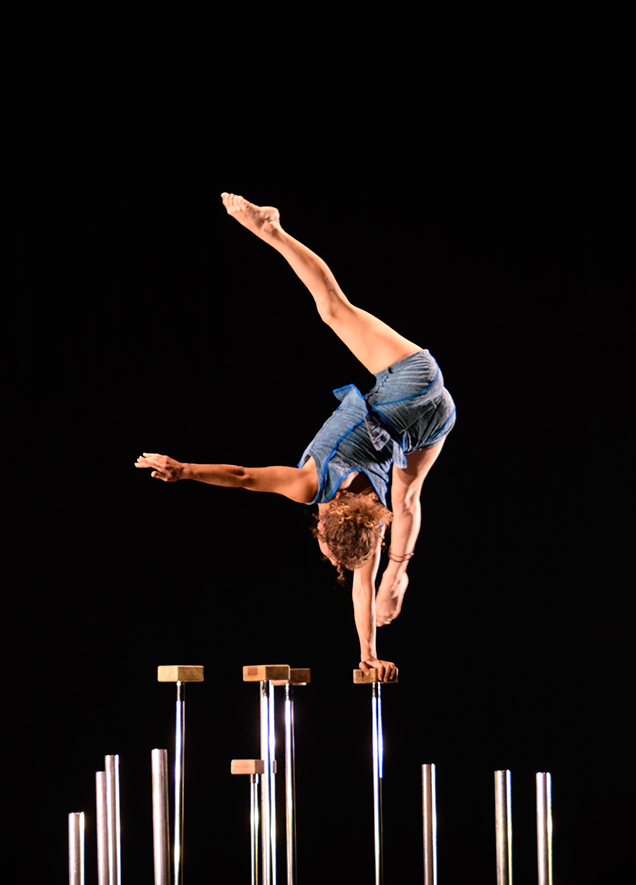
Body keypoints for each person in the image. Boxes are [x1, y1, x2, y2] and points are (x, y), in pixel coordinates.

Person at [136, 194, 456, 681]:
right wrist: (183, 471)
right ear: (322, 525)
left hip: (434, 419)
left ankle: (400, 570)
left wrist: (369, 652)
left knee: (407, 496)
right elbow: (242, 477)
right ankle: (271, 229)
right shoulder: (311, 486)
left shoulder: (372, 522)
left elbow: (361, 589)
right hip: (409, 384)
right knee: (333, 310)